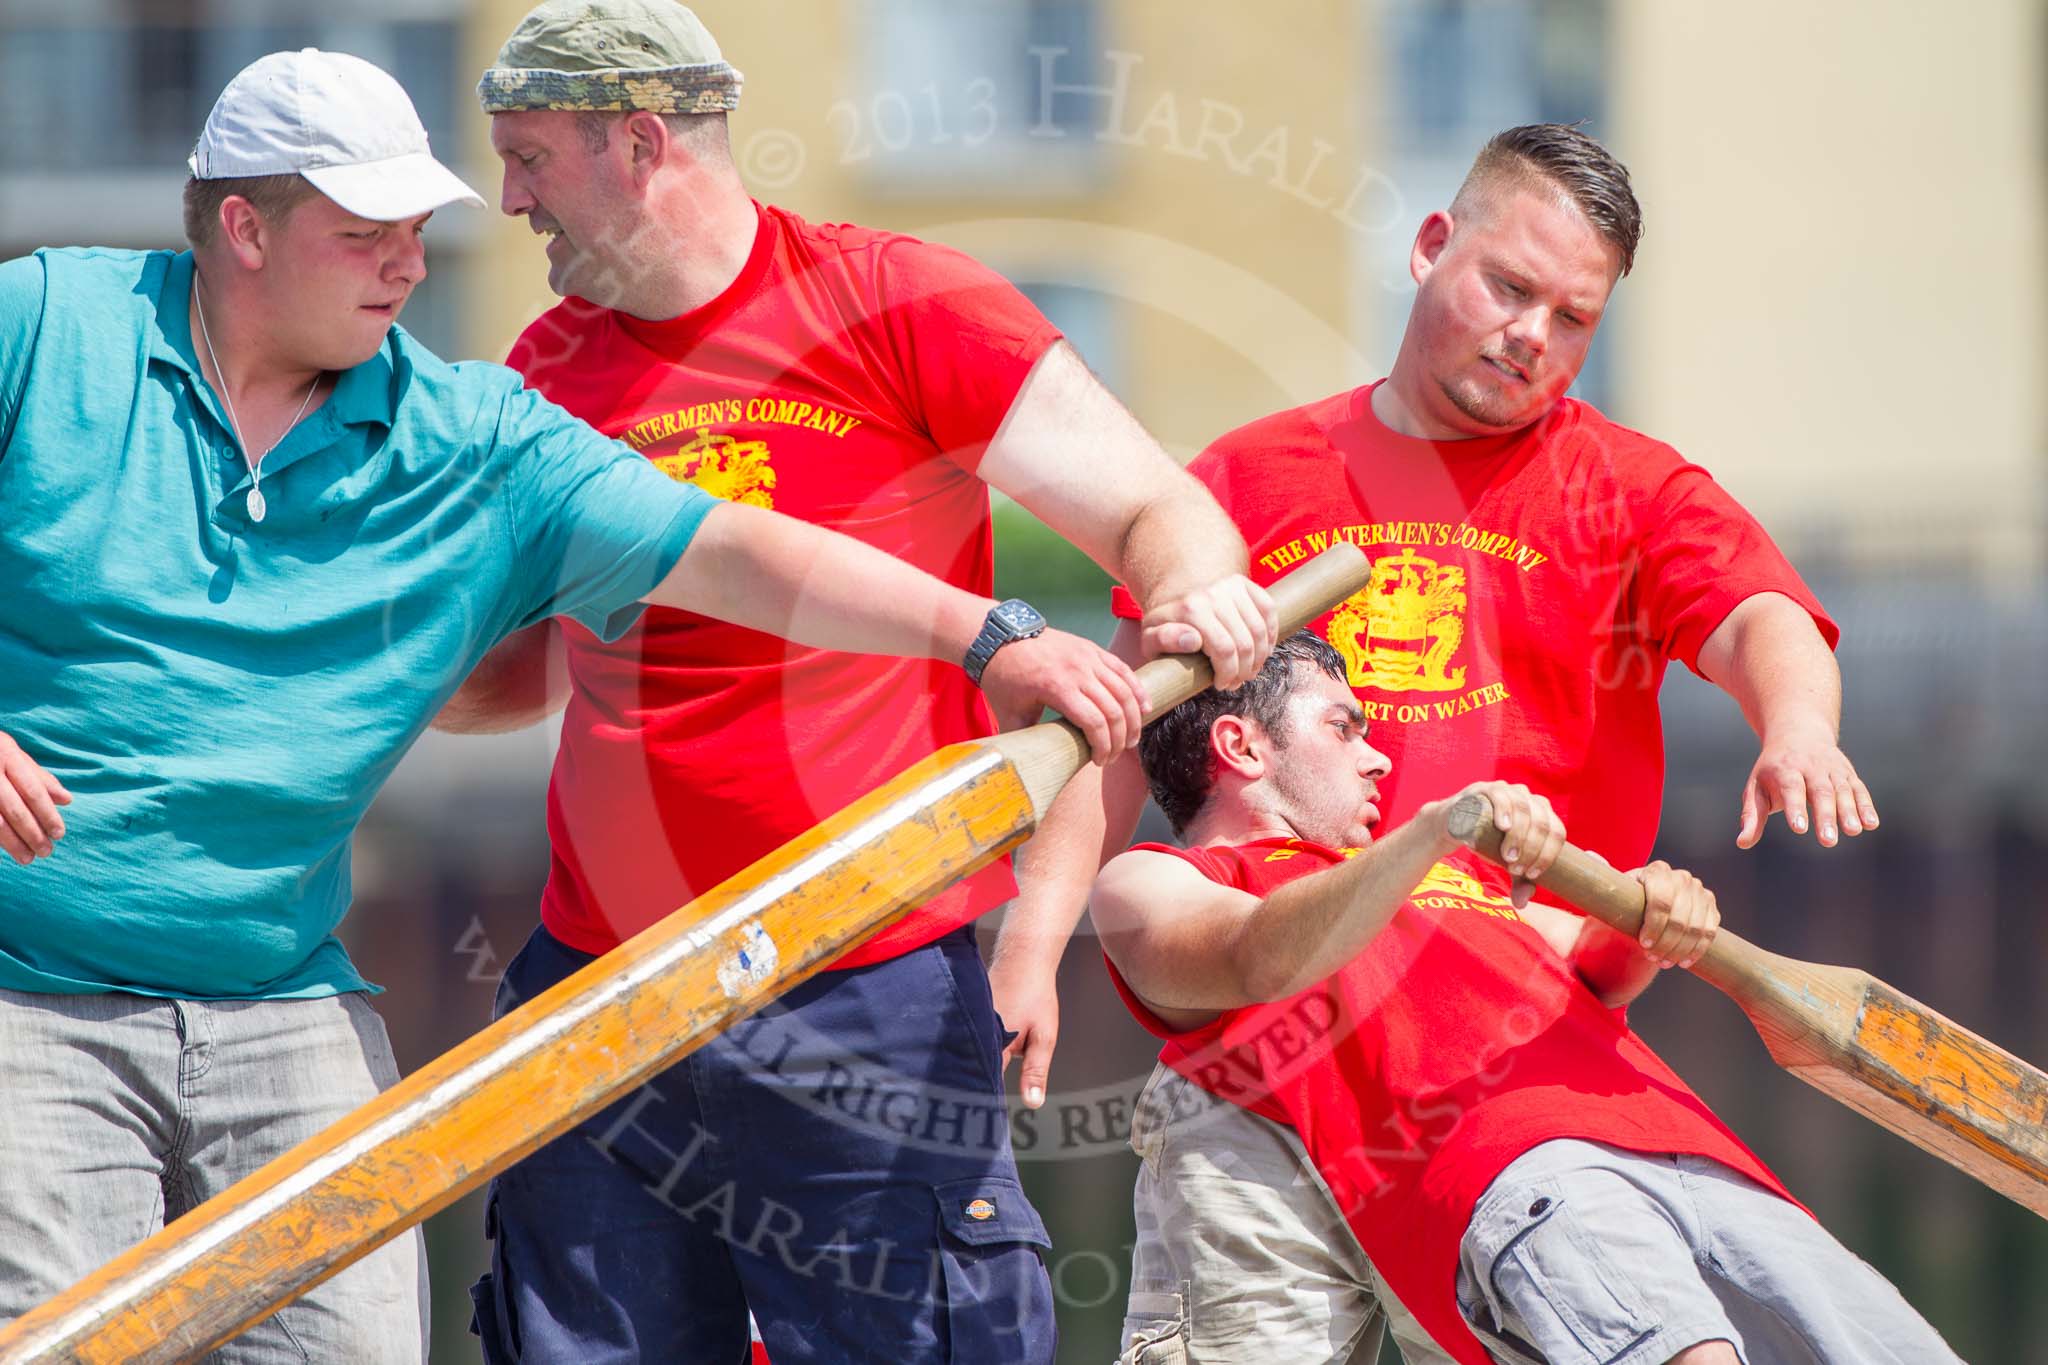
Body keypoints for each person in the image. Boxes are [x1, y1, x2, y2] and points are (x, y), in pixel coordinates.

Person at [0, 48, 1154, 1360]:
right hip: (24, 998)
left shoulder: (476, 426)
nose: (413, 264)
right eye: (366, 234)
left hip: (287, 1002)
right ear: (249, 231)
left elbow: (731, 548)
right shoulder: (43, 323)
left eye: (418, 231)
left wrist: (988, 634)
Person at [438, 3, 1274, 1359]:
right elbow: (515, 674)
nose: (510, 197)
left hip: (860, 983)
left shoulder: (891, 301)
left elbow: (1156, 513)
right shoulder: (545, 374)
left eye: (529, 156)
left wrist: (1191, 588)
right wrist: (377, 662)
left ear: (638, 142)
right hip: (605, 981)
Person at [1072, 123, 1880, 1357]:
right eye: (1508, 288)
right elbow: (1124, 728)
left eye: (1570, 317)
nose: (1529, 337)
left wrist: (1798, 727)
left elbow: (1757, 613)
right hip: (1262, 1053)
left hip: (1500, 1043)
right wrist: (1028, 946)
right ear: (1429, 245)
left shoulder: (1627, 486)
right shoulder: (1247, 476)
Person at [1091, 633, 1961, 1365]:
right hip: (1525, 1172)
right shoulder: (1156, 882)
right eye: (1343, 726)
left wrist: (1652, 910)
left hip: (1700, 1149)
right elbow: (1255, 956)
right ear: (1243, 747)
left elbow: (1590, 965)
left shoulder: (1446, 875)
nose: (1378, 755)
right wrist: (1431, 829)